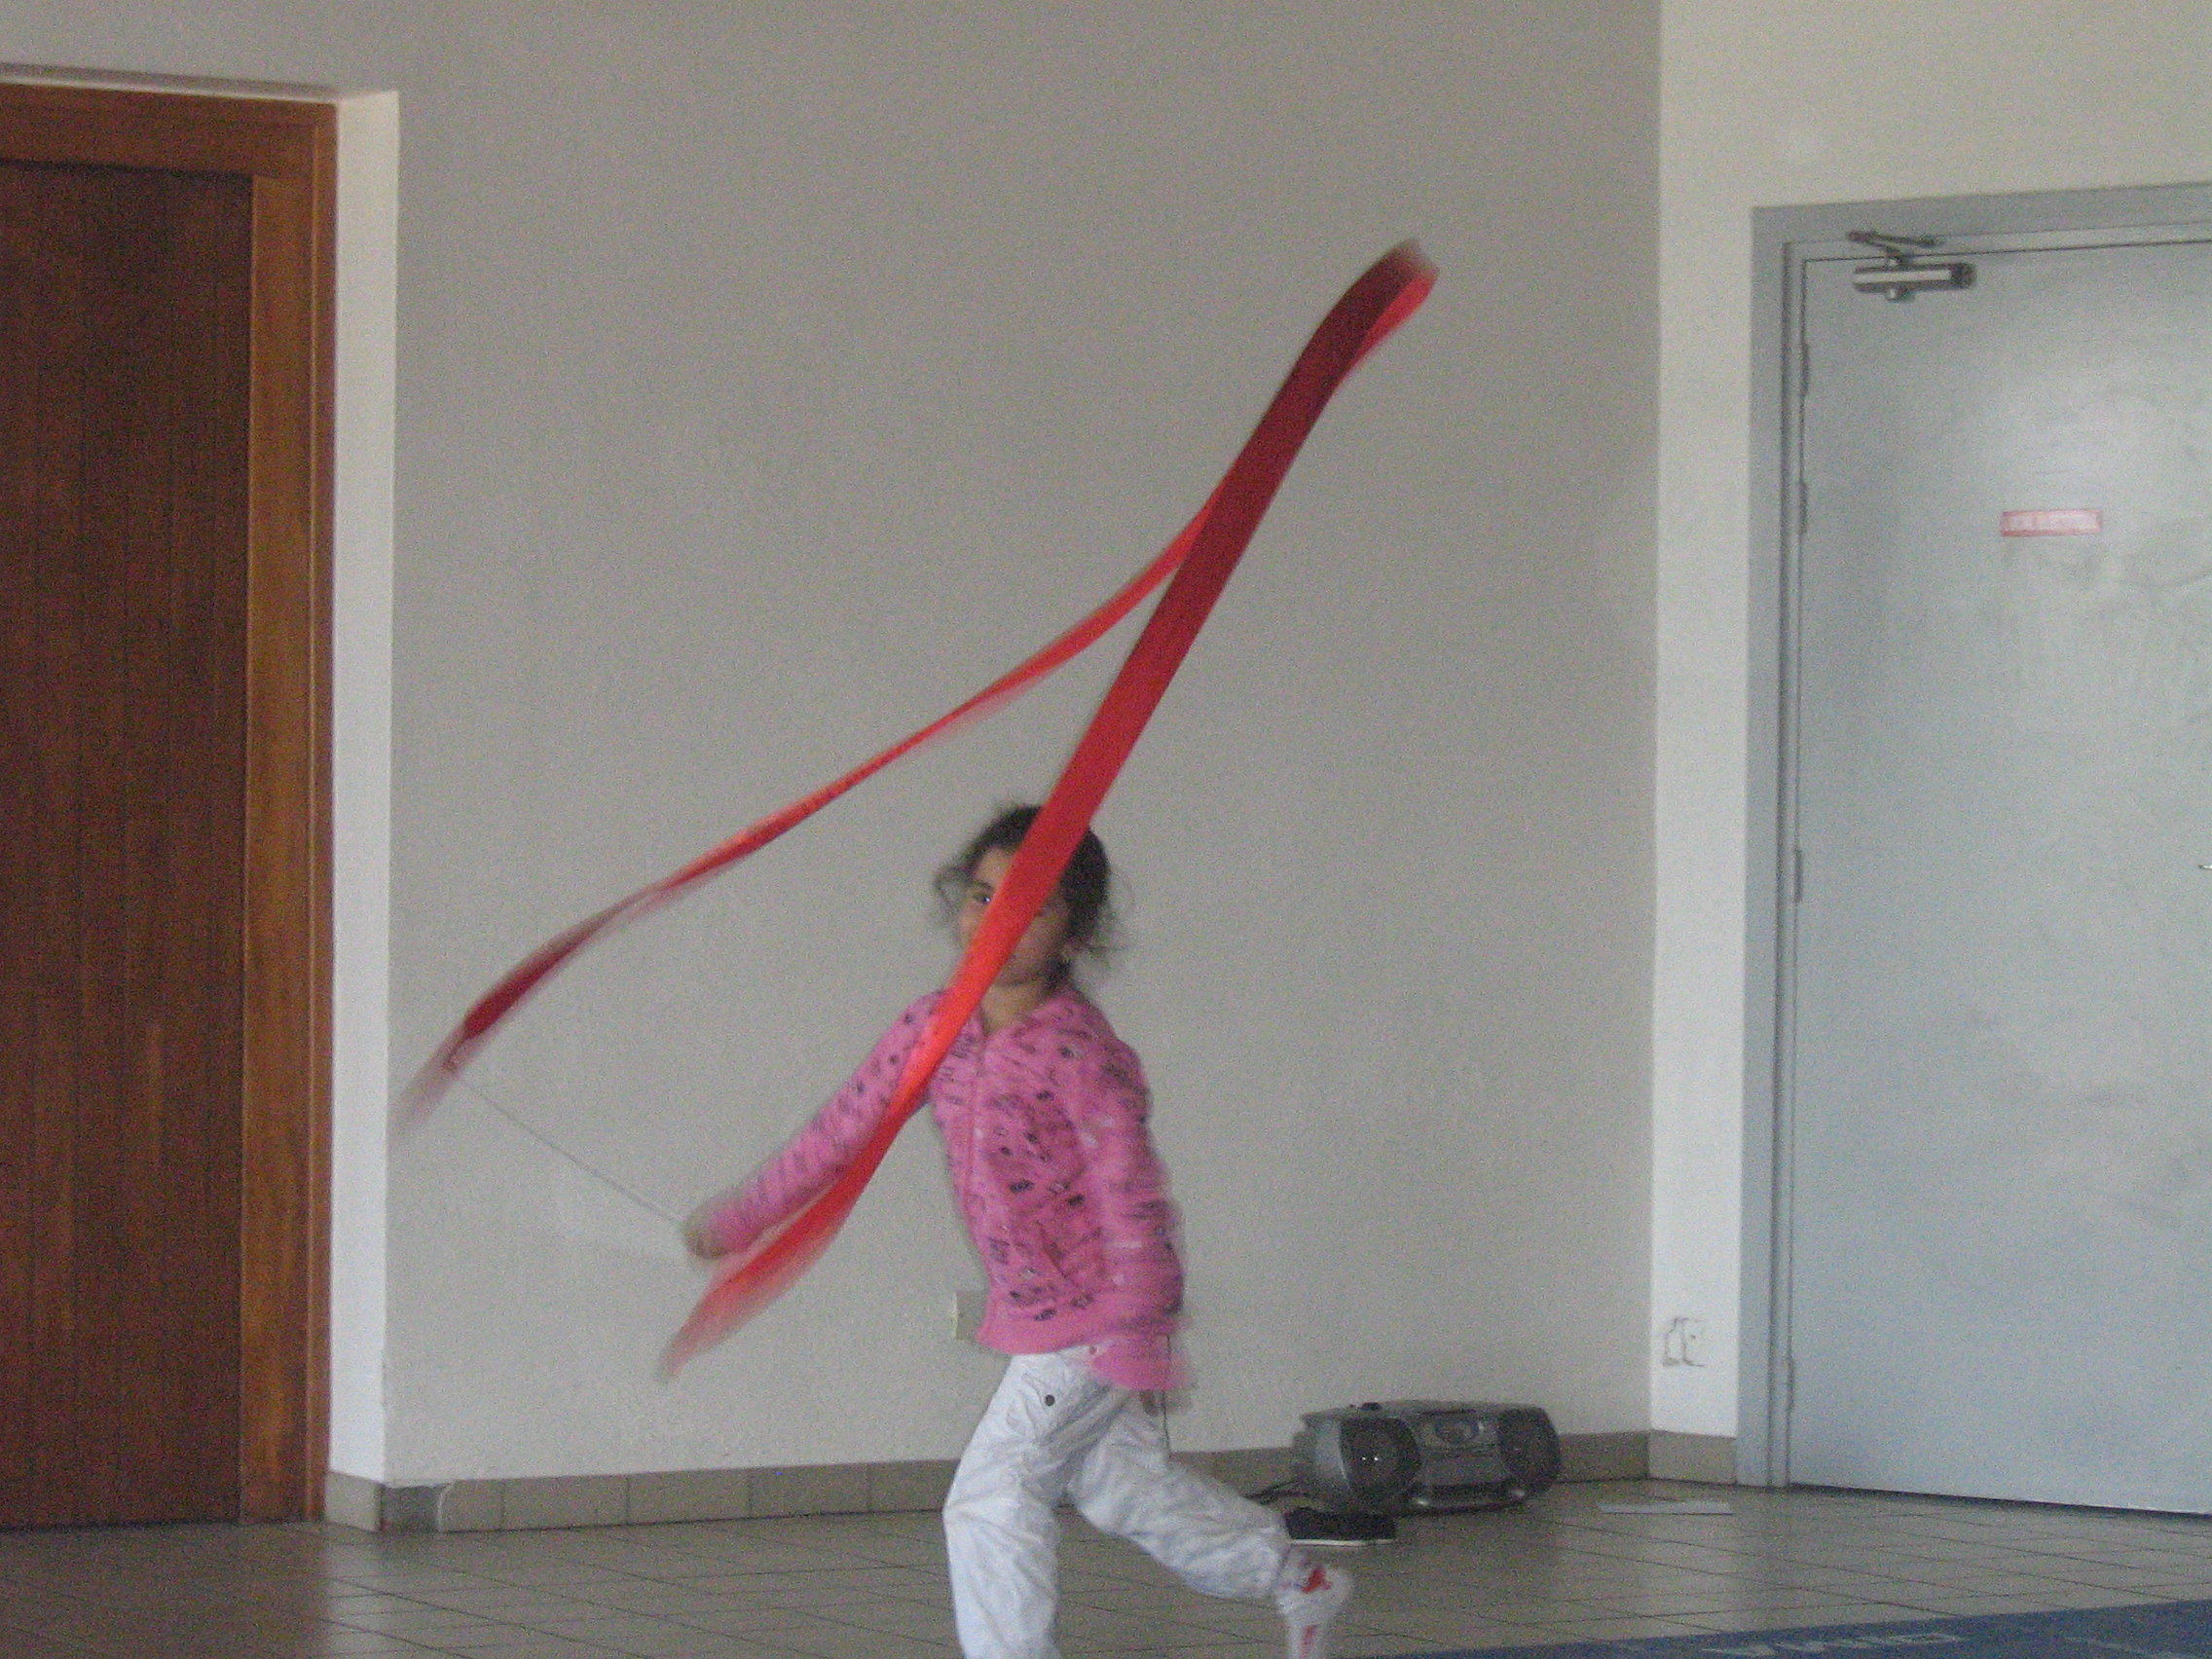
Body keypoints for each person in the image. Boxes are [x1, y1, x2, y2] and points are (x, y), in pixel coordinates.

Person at [683, 804, 1352, 1659]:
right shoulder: (934, 1030)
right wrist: (742, 1219)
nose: (996, 919)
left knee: (991, 1500)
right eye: (982, 895)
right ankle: (1299, 1581)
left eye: (1030, 906)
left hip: (1096, 1319)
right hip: (1041, 1313)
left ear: (1073, 937)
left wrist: (1136, 1334)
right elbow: (840, 1132)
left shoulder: (1078, 1054)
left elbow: (1133, 1199)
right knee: (1121, 1488)